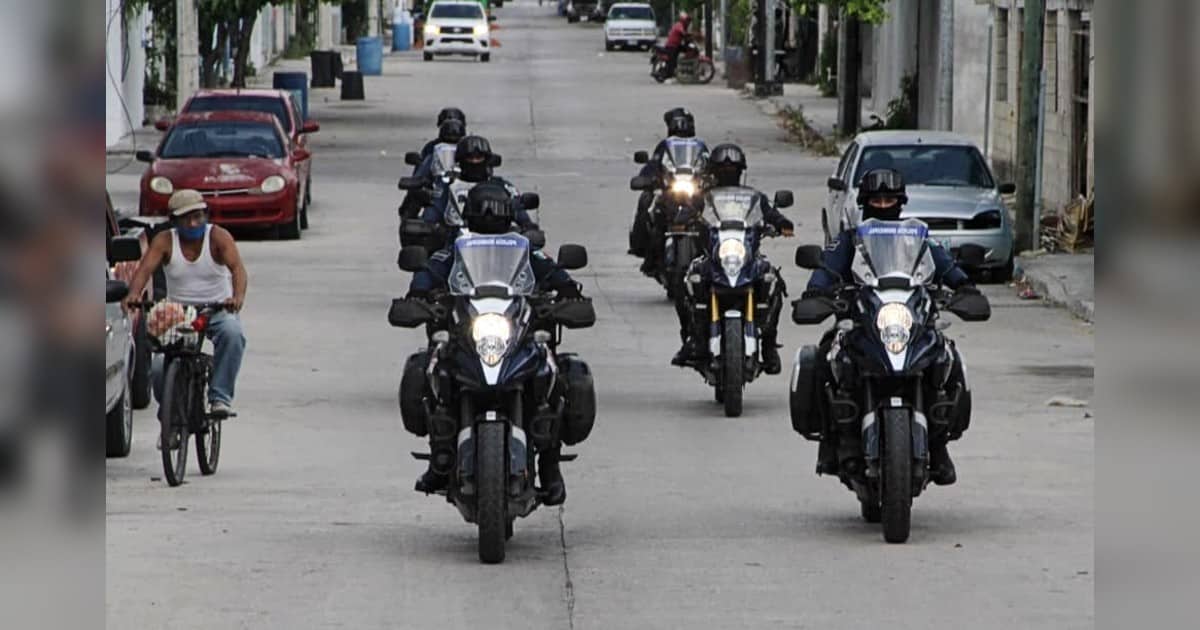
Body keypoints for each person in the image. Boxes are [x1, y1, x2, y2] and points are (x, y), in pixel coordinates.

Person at [406, 182, 584, 504]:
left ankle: (550, 464)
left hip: (515, 327)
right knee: (435, 370)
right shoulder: (456, 248)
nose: (489, 214)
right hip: (468, 328)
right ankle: (440, 456)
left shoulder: (524, 248)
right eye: (484, 209)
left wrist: (569, 291)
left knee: (550, 373)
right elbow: (429, 270)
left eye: (495, 209)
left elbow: (552, 270)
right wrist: (418, 293)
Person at [805, 168, 976, 485]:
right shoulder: (851, 239)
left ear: (901, 202)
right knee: (825, 355)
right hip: (863, 318)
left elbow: (944, 265)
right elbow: (827, 268)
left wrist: (964, 285)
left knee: (947, 357)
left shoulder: (918, 238)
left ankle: (939, 445)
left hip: (910, 317)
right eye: (877, 200)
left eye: (889, 200)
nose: (883, 205)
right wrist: (817, 290)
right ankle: (830, 442)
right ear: (865, 202)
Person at [123, 189, 248, 420]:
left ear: (205, 215)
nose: (192, 223)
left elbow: (238, 270)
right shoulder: (165, 241)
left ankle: (219, 396)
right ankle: (172, 414)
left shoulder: (218, 237)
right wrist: (133, 294)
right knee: (160, 366)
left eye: (197, 217)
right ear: (174, 221)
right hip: (179, 313)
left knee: (233, 334)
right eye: (185, 219)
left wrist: (237, 297)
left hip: (217, 308)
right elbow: (144, 271)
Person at [673, 143, 794, 373]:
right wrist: (682, 220)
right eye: (723, 168)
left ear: (741, 170)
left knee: (773, 282)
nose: (728, 172)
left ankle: (769, 345)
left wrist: (782, 224)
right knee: (685, 281)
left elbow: (771, 214)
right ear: (714, 171)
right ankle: (692, 338)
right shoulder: (703, 198)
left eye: (732, 168)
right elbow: (687, 212)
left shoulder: (755, 198)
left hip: (746, 259)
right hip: (714, 259)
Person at [630, 109, 708, 274]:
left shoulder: (700, 147)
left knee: (712, 216)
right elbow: (652, 166)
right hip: (670, 192)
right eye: (677, 124)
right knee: (647, 202)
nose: (681, 128)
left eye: (684, 124)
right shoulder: (665, 147)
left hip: (694, 192)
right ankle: (642, 247)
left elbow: (710, 166)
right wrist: (646, 179)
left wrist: (713, 179)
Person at [399, 118, 467, 220]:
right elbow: (419, 177)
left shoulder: (469, 157)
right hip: (439, 199)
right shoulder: (432, 154)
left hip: (466, 202)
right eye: (448, 143)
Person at [662, 12, 693, 80]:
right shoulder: (679, 25)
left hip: (677, 45)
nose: (688, 23)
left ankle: (684, 65)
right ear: (683, 20)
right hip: (672, 45)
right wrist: (690, 34)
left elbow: (684, 36)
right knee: (672, 61)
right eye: (687, 21)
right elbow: (683, 33)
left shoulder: (683, 26)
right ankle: (669, 75)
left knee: (687, 50)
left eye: (689, 21)